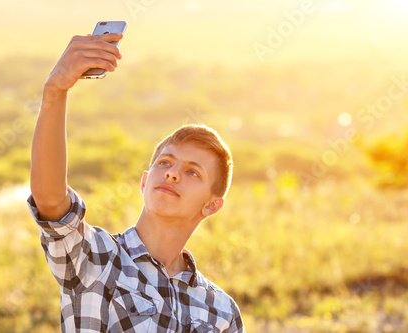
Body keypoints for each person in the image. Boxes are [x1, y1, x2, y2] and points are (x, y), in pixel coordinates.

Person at [27, 32, 245, 333]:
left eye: (193, 172)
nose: (172, 174)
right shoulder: (96, 259)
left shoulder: (221, 311)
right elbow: (50, 200)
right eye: (165, 163)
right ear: (145, 182)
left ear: (212, 205)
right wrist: (55, 92)